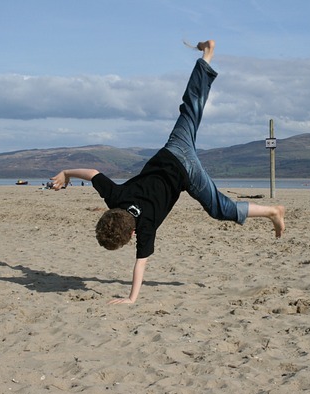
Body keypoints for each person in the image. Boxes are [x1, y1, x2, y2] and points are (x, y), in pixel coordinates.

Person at [51, 40, 285, 304]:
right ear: (109, 212)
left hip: (187, 174)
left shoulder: (146, 227)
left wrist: (131, 299)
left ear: (131, 235)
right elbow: (93, 172)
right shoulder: (115, 197)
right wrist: (67, 173)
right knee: (191, 105)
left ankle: (272, 211)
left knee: (220, 208)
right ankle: (207, 55)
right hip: (174, 148)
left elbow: (140, 265)